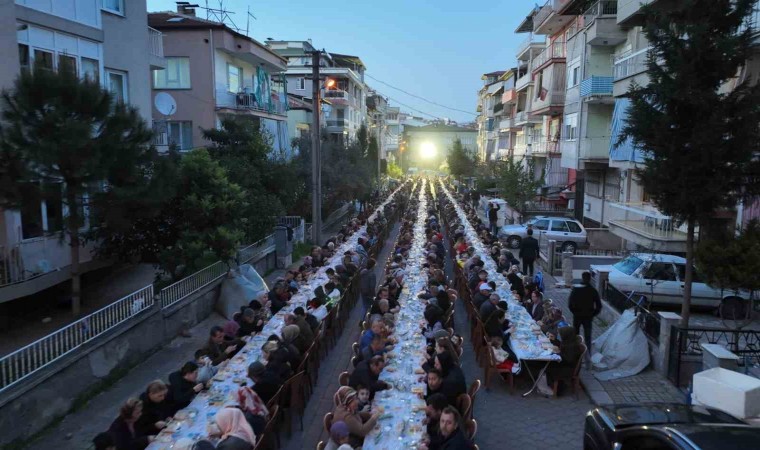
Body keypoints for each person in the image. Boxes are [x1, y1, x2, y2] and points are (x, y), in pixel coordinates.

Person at [567, 271, 602, 348]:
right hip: (588, 317)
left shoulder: (576, 289)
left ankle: (575, 353)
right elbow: (599, 306)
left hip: (577, 316)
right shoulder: (593, 291)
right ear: (590, 279)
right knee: (588, 337)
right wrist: (593, 314)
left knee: (576, 336)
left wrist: (574, 312)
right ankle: (587, 355)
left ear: (582, 278)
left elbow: (570, 303)